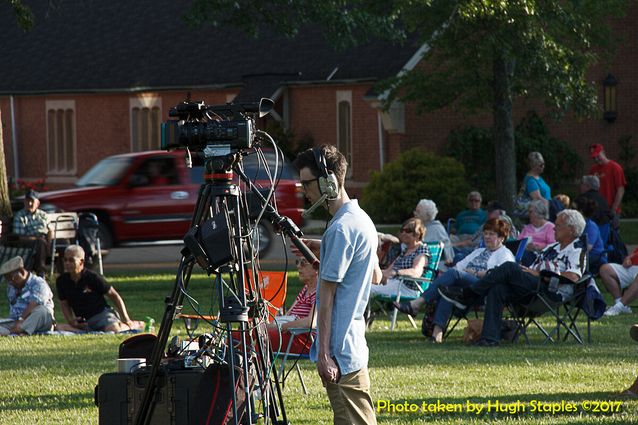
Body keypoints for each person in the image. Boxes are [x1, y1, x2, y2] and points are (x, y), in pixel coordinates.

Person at [292, 144, 380, 425]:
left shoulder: (340, 229)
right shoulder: (360, 219)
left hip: (339, 354)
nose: (303, 190)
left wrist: (324, 355)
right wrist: (325, 250)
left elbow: (326, 297)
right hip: (352, 347)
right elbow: (373, 273)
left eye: (306, 183)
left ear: (329, 181)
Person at [440, 209, 587, 346]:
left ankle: (467, 295)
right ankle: (489, 339)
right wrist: (529, 271)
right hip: (531, 286)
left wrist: (540, 274)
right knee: (498, 288)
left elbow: (573, 276)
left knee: (510, 267)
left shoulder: (577, 249)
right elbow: (534, 267)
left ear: (571, 230)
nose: (554, 228)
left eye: (558, 225)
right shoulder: (552, 247)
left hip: (550, 289)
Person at [393, 218, 514, 343]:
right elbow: (459, 267)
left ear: (501, 238)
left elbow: (499, 276)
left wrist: (475, 273)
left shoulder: (505, 254)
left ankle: (417, 303)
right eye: (486, 233)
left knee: (453, 275)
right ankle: (437, 335)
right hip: (466, 288)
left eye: (492, 234)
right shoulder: (478, 252)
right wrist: (466, 273)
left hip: (484, 290)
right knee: (448, 292)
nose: (487, 237)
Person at [55, 245, 143, 332]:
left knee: (113, 329)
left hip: (102, 315)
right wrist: (72, 321)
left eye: (71, 260)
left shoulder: (92, 277)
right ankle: (87, 330)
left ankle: (134, 325)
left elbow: (114, 296)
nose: (67, 263)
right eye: (65, 260)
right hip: (83, 321)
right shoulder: (61, 281)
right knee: (59, 328)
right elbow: (64, 303)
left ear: (81, 262)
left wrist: (126, 318)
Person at [370, 217, 430, 299]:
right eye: (402, 230)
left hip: (408, 289)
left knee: (368, 289)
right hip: (395, 284)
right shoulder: (405, 250)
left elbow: (416, 272)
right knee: (364, 284)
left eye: (408, 231)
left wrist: (396, 272)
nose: (403, 233)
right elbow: (388, 271)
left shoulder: (421, 250)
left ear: (418, 233)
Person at [268, 257, 317, 354]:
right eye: (297, 262)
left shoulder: (319, 291)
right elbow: (288, 315)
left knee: (255, 337)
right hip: (291, 335)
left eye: (303, 263)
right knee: (247, 333)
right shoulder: (306, 289)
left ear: (316, 267)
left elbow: (311, 322)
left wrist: (281, 327)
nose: (298, 266)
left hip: (304, 340)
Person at [0, 256, 54, 335]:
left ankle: (13, 331)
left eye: (11, 278)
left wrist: (21, 319)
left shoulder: (38, 283)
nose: (10, 282)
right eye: (7, 280)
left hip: (39, 319)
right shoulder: (11, 287)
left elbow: (34, 304)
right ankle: (18, 331)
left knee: (42, 311)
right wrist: (17, 321)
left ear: (21, 272)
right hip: (16, 321)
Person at [12, 189, 51, 275]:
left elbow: (50, 231)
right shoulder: (20, 216)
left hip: (45, 240)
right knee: (40, 243)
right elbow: (21, 237)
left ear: (37, 203)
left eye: (32, 201)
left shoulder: (43, 215)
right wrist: (38, 239)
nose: (29, 203)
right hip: (28, 241)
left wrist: (49, 243)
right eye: (27, 201)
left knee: (63, 242)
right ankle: (41, 271)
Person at [599, 247, 638, 316]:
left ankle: (618, 307)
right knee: (605, 269)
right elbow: (634, 254)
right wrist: (628, 258)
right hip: (634, 267)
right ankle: (620, 303)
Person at [414, 199, 453, 267]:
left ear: (426, 215)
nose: (414, 213)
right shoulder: (422, 226)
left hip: (433, 266)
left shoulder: (435, 228)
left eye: (418, 212)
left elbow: (448, 254)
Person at [589, 143, 627, 215]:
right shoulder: (593, 169)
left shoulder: (615, 168)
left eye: (598, 156)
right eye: (594, 158)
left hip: (610, 209)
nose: (596, 159)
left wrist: (614, 209)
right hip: (596, 208)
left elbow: (620, 190)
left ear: (603, 152)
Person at [573, 196, 607, 274]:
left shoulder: (591, 227)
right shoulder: (576, 224)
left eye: (573, 209)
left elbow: (587, 248)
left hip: (594, 256)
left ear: (580, 211)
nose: (571, 211)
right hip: (580, 253)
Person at [518, 199, 555, 266]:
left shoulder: (550, 227)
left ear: (539, 212)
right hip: (525, 254)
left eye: (530, 212)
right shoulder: (527, 228)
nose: (528, 214)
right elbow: (518, 243)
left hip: (541, 257)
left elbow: (553, 246)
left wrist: (537, 247)